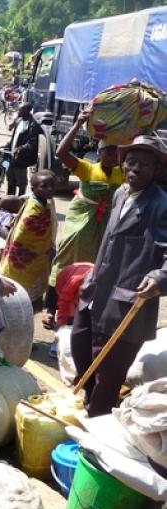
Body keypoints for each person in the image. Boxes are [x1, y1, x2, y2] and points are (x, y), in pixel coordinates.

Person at [71, 135, 167, 417]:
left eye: (145, 164)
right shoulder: (120, 193)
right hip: (95, 293)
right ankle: (91, 407)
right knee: (81, 352)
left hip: (126, 305)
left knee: (108, 377)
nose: (135, 168)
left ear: (158, 170)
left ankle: (97, 430)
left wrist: (160, 277)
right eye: (131, 161)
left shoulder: (161, 206)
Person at [44, 110, 123, 328]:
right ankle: (52, 308)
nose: (113, 156)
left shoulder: (122, 173)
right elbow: (61, 152)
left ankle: (83, 307)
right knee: (65, 259)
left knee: (98, 265)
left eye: (117, 152)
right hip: (82, 220)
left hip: (105, 222)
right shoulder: (87, 169)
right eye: (109, 151)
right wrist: (78, 124)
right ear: (100, 153)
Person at [0, 170, 57, 303]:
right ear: (33, 189)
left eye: (52, 185)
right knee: (18, 295)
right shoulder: (33, 211)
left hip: (36, 259)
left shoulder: (43, 203)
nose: (50, 189)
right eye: (44, 186)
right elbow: (22, 237)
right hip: (25, 260)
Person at [6, 103, 42, 196]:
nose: (18, 111)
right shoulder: (19, 121)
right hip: (12, 156)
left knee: (21, 182)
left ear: (27, 111)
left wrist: (20, 148)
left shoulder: (33, 125)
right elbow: (14, 137)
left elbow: (32, 144)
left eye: (20, 110)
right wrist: (8, 145)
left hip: (21, 158)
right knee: (10, 178)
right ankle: (9, 200)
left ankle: (20, 200)